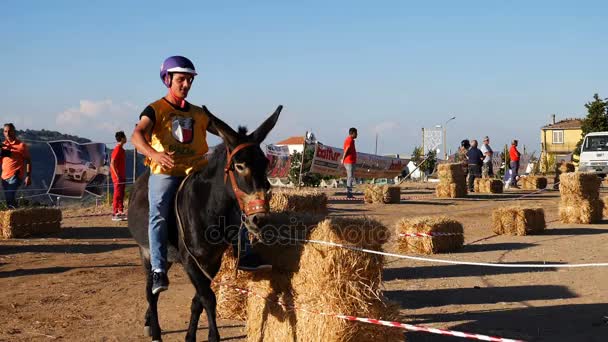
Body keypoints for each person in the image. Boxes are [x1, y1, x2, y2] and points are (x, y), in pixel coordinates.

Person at [131, 56, 269, 295]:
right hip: (166, 171)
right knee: (159, 211)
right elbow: (137, 135)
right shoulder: (155, 109)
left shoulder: (198, 113)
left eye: (189, 80)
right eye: (181, 80)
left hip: (195, 170)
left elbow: (228, 136)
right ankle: (157, 268)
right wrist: (154, 154)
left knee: (231, 198)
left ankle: (243, 252)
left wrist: (247, 144)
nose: (185, 85)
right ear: (167, 80)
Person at [0, 123, 32, 208]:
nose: (7, 133)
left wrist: (28, 176)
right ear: (3, 133)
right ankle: (16, 217)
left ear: (14, 132)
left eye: (10, 131)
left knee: (10, 196)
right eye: (5, 131)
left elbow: (28, 161)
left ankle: (17, 215)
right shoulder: (3, 146)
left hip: (16, 175)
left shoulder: (21, 145)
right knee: (8, 199)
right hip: (4, 177)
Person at [110, 131, 127, 221]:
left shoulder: (122, 150)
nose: (126, 138)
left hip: (122, 175)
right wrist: (116, 175)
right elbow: (112, 163)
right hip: (118, 176)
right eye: (125, 136)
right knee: (117, 194)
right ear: (122, 138)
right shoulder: (117, 149)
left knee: (121, 193)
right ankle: (115, 213)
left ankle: (120, 211)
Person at [340, 127, 357, 198]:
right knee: (350, 177)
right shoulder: (349, 140)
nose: (357, 135)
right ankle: (349, 194)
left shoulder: (351, 140)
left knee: (350, 177)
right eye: (356, 133)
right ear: (352, 133)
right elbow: (346, 149)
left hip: (351, 161)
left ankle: (349, 193)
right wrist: (343, 159)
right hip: (349, 161)